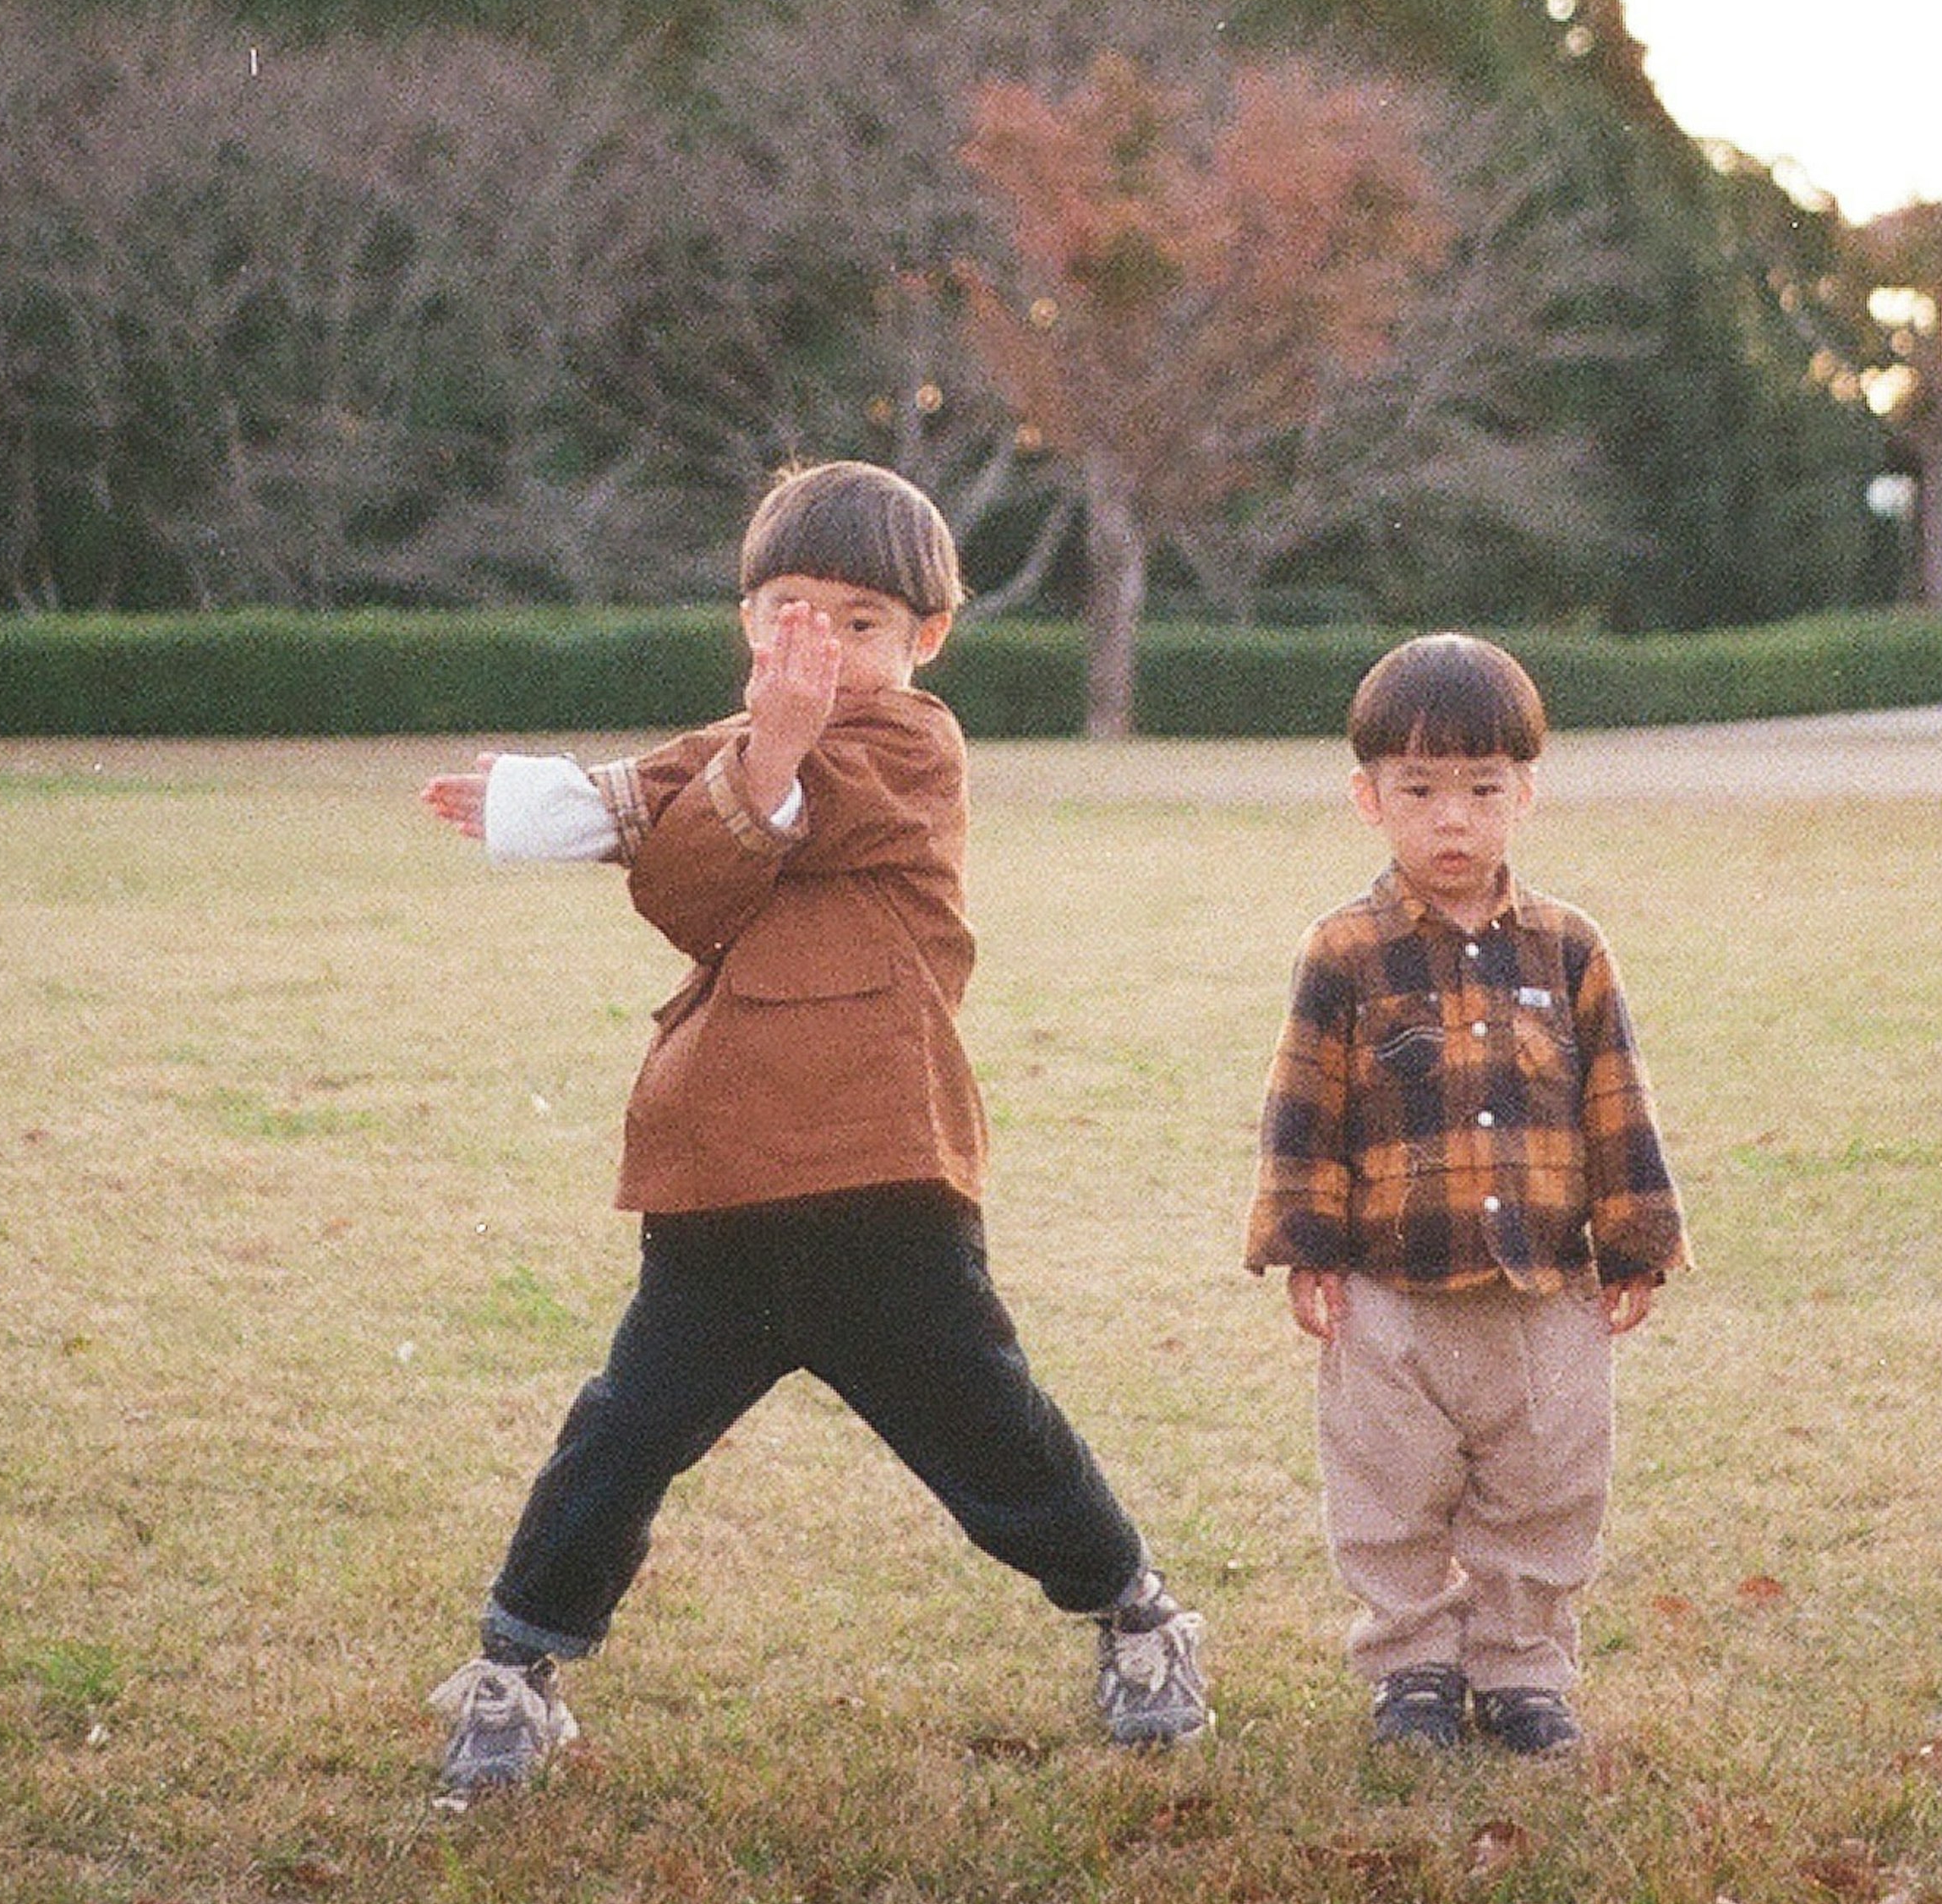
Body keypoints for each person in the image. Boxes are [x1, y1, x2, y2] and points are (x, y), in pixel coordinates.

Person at [417, 459, 1210, 1793]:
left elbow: (713, 837)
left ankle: (1136, 1615)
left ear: (925, 640)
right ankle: (515, 1664)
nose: (822, 649)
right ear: (745, 622)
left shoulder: (913, 744)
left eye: (859, 624)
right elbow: (688, 863)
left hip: (878, 1180)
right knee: (621, 1435)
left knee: (994, 1436)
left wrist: (654, 786)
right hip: (721, 1188)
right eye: (790, 612)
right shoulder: (745, 751)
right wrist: (552, 802)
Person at [1243, 632, 1686, 1756]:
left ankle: (1523, 1668)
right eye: (1421, 791)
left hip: (1544, 1288)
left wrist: (1635, 1243)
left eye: (1482, 790)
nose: (1453, 820)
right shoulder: (1344, 954)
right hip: (1392, 1293)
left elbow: (1616, 1100)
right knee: (1390, 1492)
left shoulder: (1571, 950)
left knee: (1546, 1487)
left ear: (1524, 794)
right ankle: (1412, 1671)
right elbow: (1305, 1108)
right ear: (1369, 797)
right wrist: (1306, 1249)